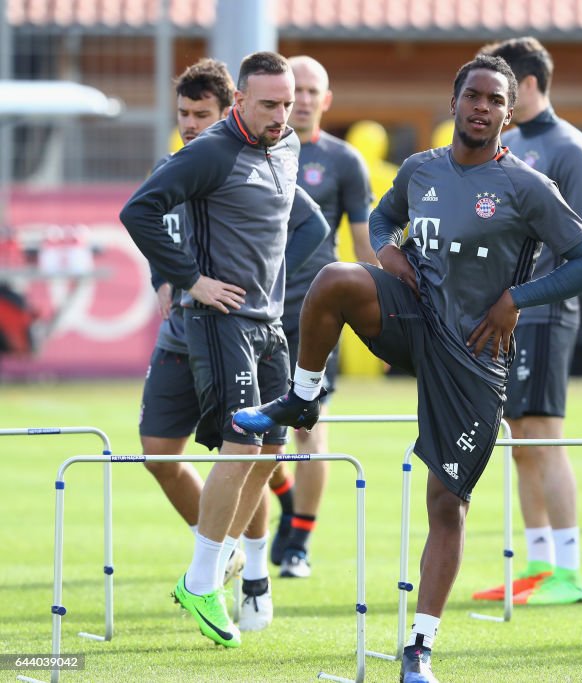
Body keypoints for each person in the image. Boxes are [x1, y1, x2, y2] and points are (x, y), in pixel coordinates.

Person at [234, 55, 582, 683]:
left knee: (445, 504)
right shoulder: (421, 169)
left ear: (508, 114)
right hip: (414, 318)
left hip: (475, 357)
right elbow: (383, 216)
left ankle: (419, 648)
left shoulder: (526, 187)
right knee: (335, 279)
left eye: (494, 100)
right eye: (473, 96)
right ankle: (301, 396)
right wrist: (384, 249)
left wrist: (517, 300)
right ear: (454, 102)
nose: (482, 107)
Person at [120, 51, 329, 648]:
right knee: (241, 443)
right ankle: (204, 579)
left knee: (271, 449)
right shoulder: (210, 151)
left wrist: (276, 281)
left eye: (288, 103)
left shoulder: (287, 146)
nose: (282, 114)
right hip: (221, 322)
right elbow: (139, 212)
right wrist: (190, 279)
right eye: (269, 103)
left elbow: (307, 225)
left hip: (269, 322)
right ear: (240, 100)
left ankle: (228, 564)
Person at [471, 36, 582, 606]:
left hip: (550, 311)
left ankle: (570, 571)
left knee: (545, 437)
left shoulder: (569, 148)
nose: (493, 102)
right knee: (518, 439)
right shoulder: (505, 146)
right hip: (507, 314)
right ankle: (537, 564)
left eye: (503, 89)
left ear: (528, 86)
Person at [139, 57, 273, 602]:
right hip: (177, 337)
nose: (190, 124)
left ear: (228, 113)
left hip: (229, 332)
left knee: (246, 453)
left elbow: (305, 227)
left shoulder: (237, 163)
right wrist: (167, 280)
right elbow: (152, 231)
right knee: (158, 454)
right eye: (183, 113)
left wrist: (267, 289)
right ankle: (220, 551)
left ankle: (244, 570)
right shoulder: (170, 167)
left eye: (201, 113)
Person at [266, 55, 376, 580]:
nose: (304, 99)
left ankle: (299, 542)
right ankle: (284, 499)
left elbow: (364, 245)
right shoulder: (251, 153)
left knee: (309, 425)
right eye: (297, 90)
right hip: (252, 310)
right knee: (244, 425)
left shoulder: (344, 161)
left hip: (315, 316)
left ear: (326, 100)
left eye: (314, 90)